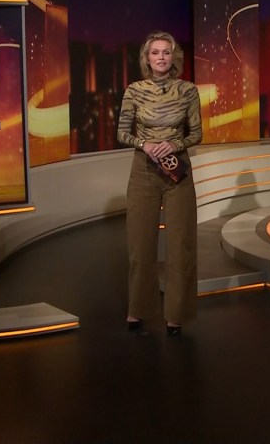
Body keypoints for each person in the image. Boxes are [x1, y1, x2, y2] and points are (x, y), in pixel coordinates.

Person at [116, 31, 202, 337]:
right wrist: (145, 144)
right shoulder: (134, 90)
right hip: (144, 170)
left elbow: (197, 134)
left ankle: (176, 314)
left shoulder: (188, 90)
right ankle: (138, 309)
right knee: (140, 246)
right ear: (147, 58)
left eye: (166, 52)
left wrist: (174, 143)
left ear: (173, 57)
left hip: (178, 171)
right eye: (155, 52)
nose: (161, 57)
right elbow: (122, 132)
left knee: (181, 245)